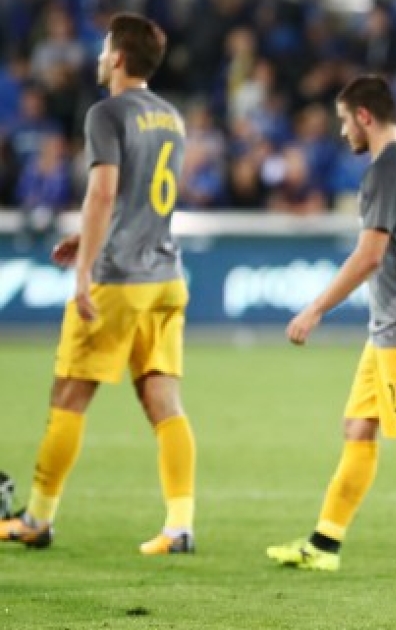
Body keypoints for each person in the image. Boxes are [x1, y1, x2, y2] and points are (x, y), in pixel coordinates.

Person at [265, 74, 396, 578]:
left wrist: (314, 309)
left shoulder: (385, 168)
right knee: (358, 426)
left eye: (344, 121)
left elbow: (369, 255)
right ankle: (324, 543)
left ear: (364, 116)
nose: (343, 132)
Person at [0, 13, 197, 555]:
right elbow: (140, 197)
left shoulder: (106, 113)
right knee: (164, 400)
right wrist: (86, 236)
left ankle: (37, 518)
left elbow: (105, 193)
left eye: (106, 47)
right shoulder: (171, 116)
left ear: (119, 58)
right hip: (166, 276)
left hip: (120, 278)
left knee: (69, 394)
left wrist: (85, 268)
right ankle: (180, 525)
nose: (99, 55)